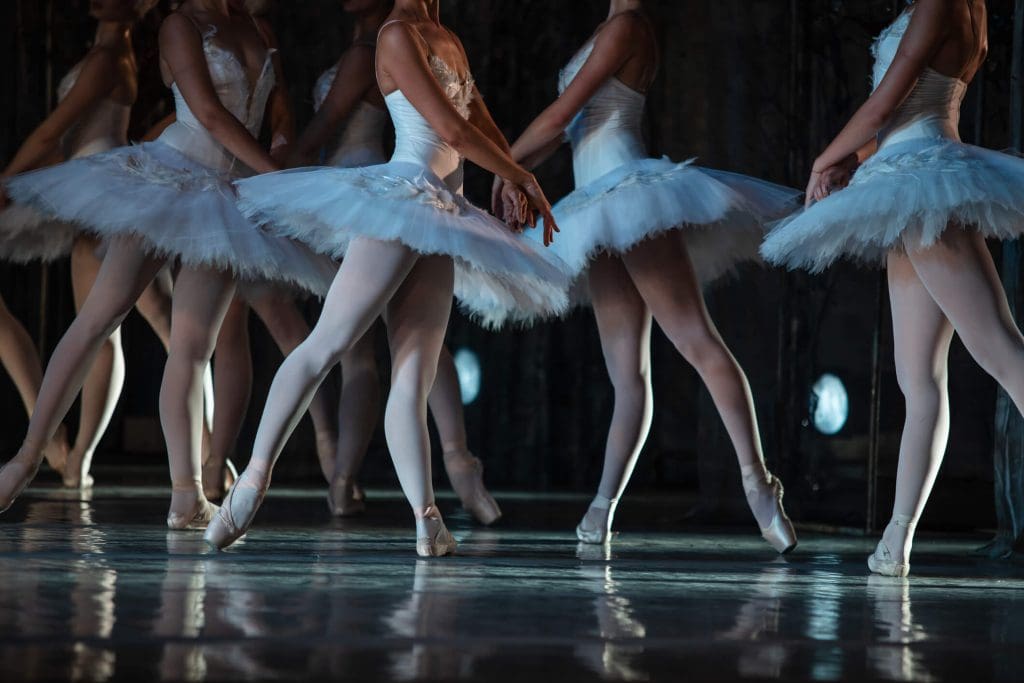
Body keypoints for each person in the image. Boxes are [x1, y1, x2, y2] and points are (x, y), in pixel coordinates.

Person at [206, 0, 569, 556]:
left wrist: (513, 174)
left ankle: (427, 520)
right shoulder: (396, 34)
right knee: (327, 343)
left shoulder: (444, 34)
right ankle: (251, 485)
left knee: (415, 372)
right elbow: (447, 127)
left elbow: (477, 120)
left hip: (445, 211)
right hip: (403, 198)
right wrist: (521, 176)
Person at [501, 0, 799, 551]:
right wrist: (512, 170)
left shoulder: (628, 25)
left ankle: (758, 485)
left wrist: (507, 167)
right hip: (594, 202)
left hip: (629, 192)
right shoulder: (607, 25)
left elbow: (561, 115)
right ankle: (601, 509)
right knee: (627, 375)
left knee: (695, 339)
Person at [760, 1, 1018, 576]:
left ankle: (897, 541)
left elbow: (885, 103)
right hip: (902, 181)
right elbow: (903, 110)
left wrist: (824, 160)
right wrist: (853, 161)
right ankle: (895, 544)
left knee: (1002, 350)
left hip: (924, 179)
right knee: (919, 380)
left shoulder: (945, 3)